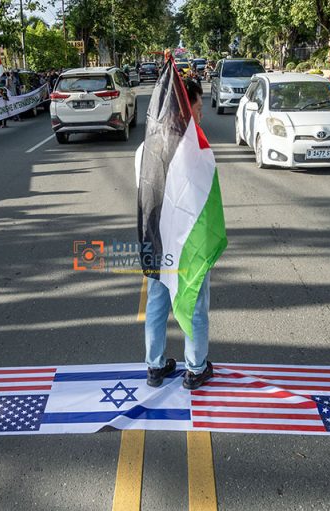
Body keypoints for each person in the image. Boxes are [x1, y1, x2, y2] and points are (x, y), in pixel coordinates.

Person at [143, 78, 214, 390]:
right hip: (187, 241)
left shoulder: (146, 147)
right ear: (185, 108)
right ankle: (196, 368)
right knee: (194, 302)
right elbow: (203, 200)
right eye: (198, 108)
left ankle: (155, 367)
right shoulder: (195, 150)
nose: (201, 115)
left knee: (157, 303)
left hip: (156, 240)